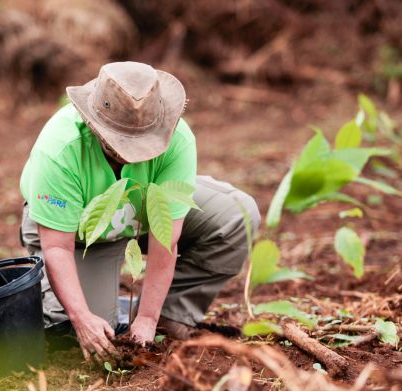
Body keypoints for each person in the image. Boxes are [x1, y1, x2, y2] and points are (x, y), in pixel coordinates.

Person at [19, 61, 260, 362]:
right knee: (81, 335)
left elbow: (166, 239)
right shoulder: (60, 147)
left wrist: (148, 317)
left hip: (143, 211)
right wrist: (81, 317)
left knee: (237, 214)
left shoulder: (177, 138)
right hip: (77, 234)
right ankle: (52, 296)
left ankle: (172, 315)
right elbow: (57, 246)